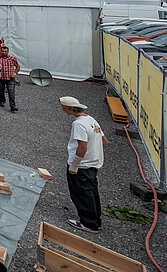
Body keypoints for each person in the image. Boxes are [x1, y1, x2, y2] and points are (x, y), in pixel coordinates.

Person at [61, 95, 108, 233]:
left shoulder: (78, 124)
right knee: (92, 192)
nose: (63, 111)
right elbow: (104, 140)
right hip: (93, 165)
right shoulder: (91, 120)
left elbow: (82, 146)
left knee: (81, 193)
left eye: (64, 108)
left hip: (82, 165)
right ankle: (95, 220)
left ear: (71, 108)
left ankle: (88, 223)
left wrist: (75, 164)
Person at [0, 45, 21, 112]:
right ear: (0, 51)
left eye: (5, 51)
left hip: (10, 78)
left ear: (8, 51)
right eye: (3, 51)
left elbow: (18, 66)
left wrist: (15, 73)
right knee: (1, 90)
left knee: (11, 92)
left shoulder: (12, 58)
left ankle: (12, 106)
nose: (4, 52)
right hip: (0, 78)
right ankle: (2, 101)